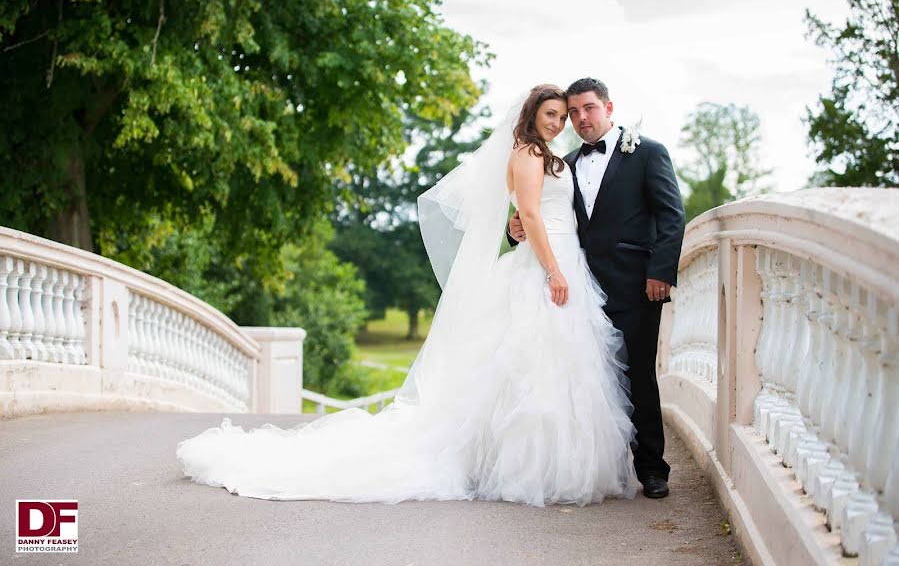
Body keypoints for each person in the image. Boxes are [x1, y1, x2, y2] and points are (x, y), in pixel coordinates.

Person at [176, 84, 638, 507]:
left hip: (563, 261)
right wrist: (553, 270)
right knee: (533, 371)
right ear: (531, 116)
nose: (559, 122)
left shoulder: (551, 155)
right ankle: (531, 470)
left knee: (560, 370)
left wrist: (528, 238)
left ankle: (560, 468)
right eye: (552, 114)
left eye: (564, 115)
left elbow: (534, 216)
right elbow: (532, 217)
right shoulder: (527, 154)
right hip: (546, 269)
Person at [509, 78, 686, 499]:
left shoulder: (647, 152)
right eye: (573, 112)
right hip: (578, 286)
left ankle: (651, 469)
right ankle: (601, 467)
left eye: (588, 108)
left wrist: (661, 271)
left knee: (638, 374)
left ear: (609, 107)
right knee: (588, 380)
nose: (580, 118)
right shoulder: (564, 162)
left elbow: (671, 214)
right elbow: (541, 214)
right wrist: (513, 228)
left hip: (635, 284)